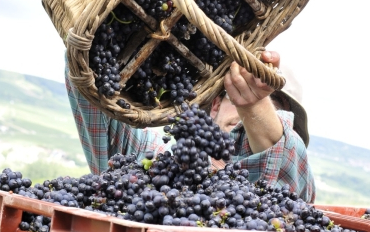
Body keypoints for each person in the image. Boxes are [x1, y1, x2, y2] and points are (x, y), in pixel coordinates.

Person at [65, 50, 315, 202]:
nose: (245, 107)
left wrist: (254, 107)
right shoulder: (153, 161)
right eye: (236, 94)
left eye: (274, 108)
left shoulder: (293, 185)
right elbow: (92, 85)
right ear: (215, 105)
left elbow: (283, 158)